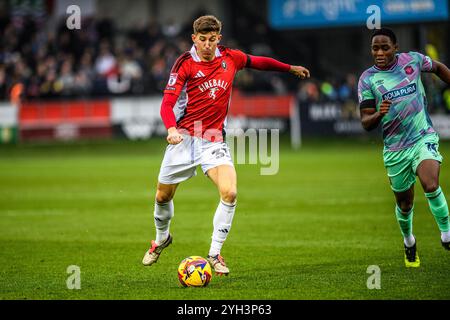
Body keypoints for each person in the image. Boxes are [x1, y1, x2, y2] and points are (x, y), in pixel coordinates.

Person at [142, 15, 310, 275]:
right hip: (184, 138)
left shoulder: (230, 57)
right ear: (194, 39)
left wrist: (289, 68)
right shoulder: (184, 64)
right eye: (202, 40)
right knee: (163, 196)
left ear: (218, 38)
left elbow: (258, 62)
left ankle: (214, 253)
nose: (207, 45)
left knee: (230, 192)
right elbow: (167, 102)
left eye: (212, 40)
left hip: (213, 139)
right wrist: (171, 128)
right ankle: (161, 238)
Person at [358, 28, 450, 268]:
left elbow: (439, 68)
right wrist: (379, 112)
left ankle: (447, 234)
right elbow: (366, 122)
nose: (379, 52)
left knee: (431, 184)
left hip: (422, 137)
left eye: (384, 47)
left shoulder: (414, 60)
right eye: (375, 48)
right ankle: (409, 242)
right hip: (395, 149)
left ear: (395, 48)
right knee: (405, 204)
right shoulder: (368, 79)